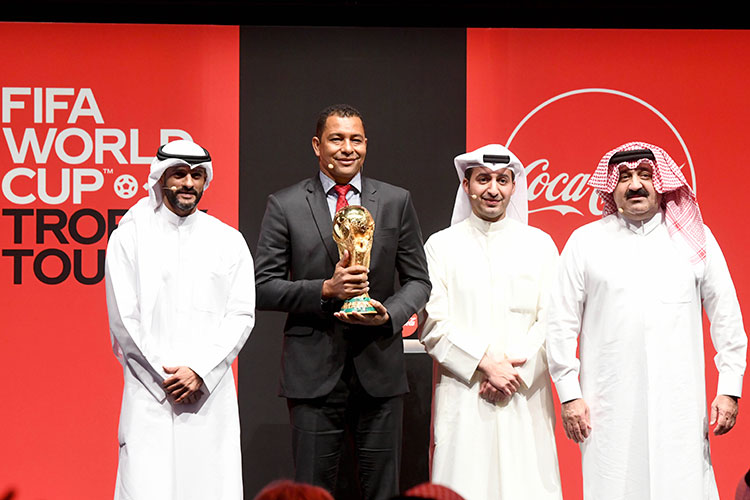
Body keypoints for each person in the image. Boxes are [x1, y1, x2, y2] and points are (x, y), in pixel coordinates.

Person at [547, 141, 747, 500]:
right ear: (612, 185)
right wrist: (569, 395)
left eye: (645, 175)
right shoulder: (585, 242)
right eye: (624, 176)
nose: (635, 185)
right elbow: (560, 324)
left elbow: (727, 317)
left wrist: (729, 388)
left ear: (663, 184)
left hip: (680, 406)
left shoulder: (694, 239)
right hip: (608, 407)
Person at [254, 104, 431, 500]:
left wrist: (391, 314)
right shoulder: (284, 204)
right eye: (337, 139)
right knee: (311, 493)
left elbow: (419, 280)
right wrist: (324, 290)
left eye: (356, 139)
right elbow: (263, 286)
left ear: (366, 144)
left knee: (382, 491)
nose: (347, 148)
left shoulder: (396, 200)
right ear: (318, 145)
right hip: (313, 374)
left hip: (380, 371)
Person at [105, 139, 255, 500]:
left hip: (208, 395)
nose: (188, 183)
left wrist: (200, 372)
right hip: (149, 395)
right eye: (179, 174)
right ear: (161, 177)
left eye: (197, 175)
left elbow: (241, 314)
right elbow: (124, 321)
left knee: (210, 486)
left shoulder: (228, 240)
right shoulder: (129, 237)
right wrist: (166, 377)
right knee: (146, 486)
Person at [421, 144, 562, 500]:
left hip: (524, 395)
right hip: (466, 393)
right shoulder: (441, 246)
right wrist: (485, 364)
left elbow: (553, 321)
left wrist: (512, 374)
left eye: (502, 180)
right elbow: (434, 324)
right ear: (466, 185)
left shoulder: (541, 245)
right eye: (483, 179)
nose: (493, 189)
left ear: (514, 187)